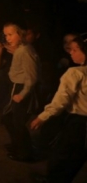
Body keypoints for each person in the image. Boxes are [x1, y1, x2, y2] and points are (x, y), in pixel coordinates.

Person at [31, 36, 87, 183]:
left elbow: (61, 100)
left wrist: (43, 116)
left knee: (62, 154)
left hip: (78, 122)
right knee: (78, 156)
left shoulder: (75, 73)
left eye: (75, 50)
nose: (71, 53)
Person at [0, 23, 39, 162]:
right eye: (6, 35)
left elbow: (32, 77)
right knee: (8, 118)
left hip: (21, 87)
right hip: (15, 85)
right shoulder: (20, 49)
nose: (8, 38)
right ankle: (17, 145)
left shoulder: (25, 51)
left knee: (17, 122)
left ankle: (25, 153)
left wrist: (23, 94)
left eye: (11, 35)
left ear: (20, 34)